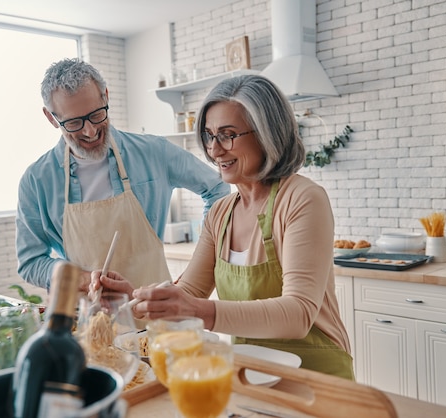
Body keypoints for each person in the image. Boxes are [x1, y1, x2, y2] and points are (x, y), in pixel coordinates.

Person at [98, 74, 355, 380]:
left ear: (266, 134)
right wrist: (134, 300)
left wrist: (197, 310)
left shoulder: (302, 199)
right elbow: (188, 293)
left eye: (227, 134)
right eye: (208, 136)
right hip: (251, 374)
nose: (214, 150)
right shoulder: (220, 213)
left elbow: (298, 314)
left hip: (316, 377)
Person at [15, 58, 230, 292]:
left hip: (155, 316)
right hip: (85, 320)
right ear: (51, 118)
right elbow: (31, 261)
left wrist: (200, 263)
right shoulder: (36, 181)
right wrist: (82, 278)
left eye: (97, 114)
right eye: (74, 123)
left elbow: (217, 188)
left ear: (105, 96)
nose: (90, 130)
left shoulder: (154, 152)